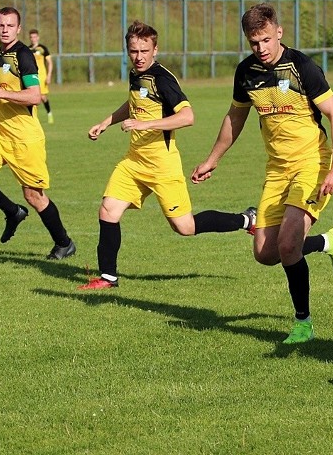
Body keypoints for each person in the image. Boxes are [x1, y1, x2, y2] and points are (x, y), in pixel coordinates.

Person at [191, 3, 333, 344]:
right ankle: (328, 242)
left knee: (289, 243)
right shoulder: (246, 72)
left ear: (278, 32)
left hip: (312, 163)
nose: (260, 48)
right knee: (265, 253)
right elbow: (235, 117)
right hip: (277, 170)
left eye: (265, 39)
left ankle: (303, 323)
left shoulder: (301, 67)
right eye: (253, 42)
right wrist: (212, 158)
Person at [77, 21, 256, 290]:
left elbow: (187, 117)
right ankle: (108, 277)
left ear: (155, 49)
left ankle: (246, 219)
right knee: (108, 210)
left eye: (144, 51)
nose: (138, 57)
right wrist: (106, 122)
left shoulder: (163, 78)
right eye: (133, 51)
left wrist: (144, 124)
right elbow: (135, 102)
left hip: (162, 164)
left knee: (184, 227)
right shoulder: (136, 74)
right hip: (134, 161)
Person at [0, 6, 75, 260]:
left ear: (18, 28)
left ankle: (64, 243)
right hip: (2, 134)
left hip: (25, 138)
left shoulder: (24, 56)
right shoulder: (0, 53)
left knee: (34, 195)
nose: (4, 30)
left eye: (10, 25)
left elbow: (34, 96)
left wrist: (1, 94)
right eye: (0, 25)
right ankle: (12, 212)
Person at [28, 29, 55, 124]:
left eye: (35, 37)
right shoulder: (28, 49)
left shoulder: (43, 49)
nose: (33, 39)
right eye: (31, 37)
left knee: (43, 97)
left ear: (38, 37)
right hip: (32, 76)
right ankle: (33, 118)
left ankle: (49, 113)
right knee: (32, 97)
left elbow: (50, 63)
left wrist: (49, 75)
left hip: (42, 76)